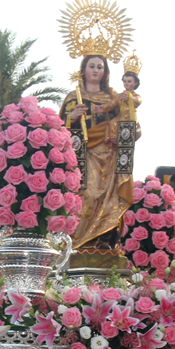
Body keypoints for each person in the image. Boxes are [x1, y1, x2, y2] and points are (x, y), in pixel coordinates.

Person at [60, 55, 133, 246]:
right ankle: (78, 243)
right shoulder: (73, 97)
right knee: (88, 195)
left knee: (110, 199)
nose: (95, 70)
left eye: (100, 67)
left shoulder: (113, 97)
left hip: (110, 155)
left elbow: (129, 122)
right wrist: (72, 117)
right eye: (91, 66)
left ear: (105, 71)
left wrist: (122, 126)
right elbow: (59, 131)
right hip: (85, 155)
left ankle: (103, 242)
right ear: (83, 69)